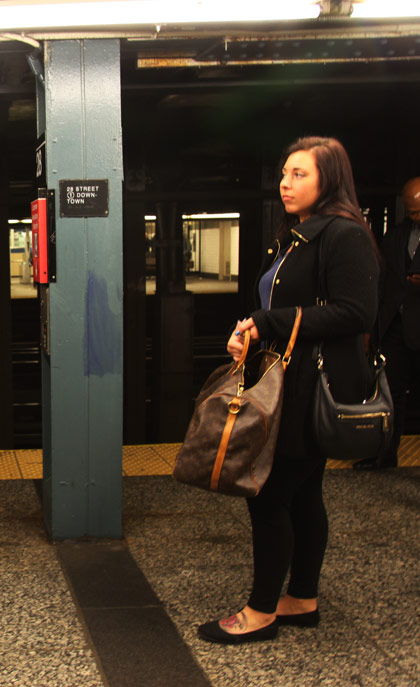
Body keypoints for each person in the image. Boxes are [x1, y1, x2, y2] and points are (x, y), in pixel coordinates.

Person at [197, 137, 379, 644]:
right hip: (287, 380)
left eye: (300, 174)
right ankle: (301, 598)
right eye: (284, 173)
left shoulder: (344, 234)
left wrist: (268, 321)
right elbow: (283, 307)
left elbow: (356, 312)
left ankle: (260, 612)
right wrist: (252, 332)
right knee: (303, 494)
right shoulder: (296, 235)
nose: (285, 183)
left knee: (270, 494)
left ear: (329, 180)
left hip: (310, 387)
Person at [354, 178, 420, 471]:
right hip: (396, 327)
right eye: (411, 211)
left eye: (419, 211)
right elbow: (384, 283)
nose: (414, 216)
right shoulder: (396, 236)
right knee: (391, 396)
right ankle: (385, 455)